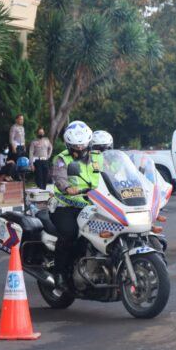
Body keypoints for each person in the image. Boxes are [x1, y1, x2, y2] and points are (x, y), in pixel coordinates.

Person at [50, 120, 101, 289]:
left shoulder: (98, 157)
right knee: (70, 234)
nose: (80, 150)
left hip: (92, 205)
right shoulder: (62, 159)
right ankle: (60, 273)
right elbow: (59, 177)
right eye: (76, 147)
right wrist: (67, 187)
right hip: (65, 206)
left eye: (84, 146)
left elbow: (114, 170)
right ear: (69, 145)